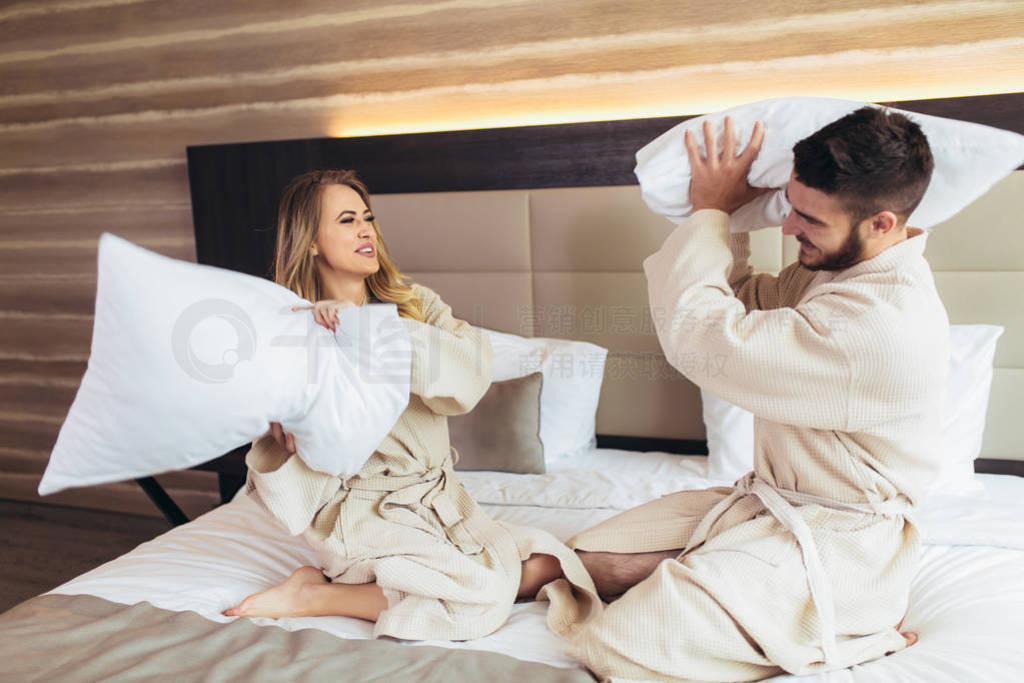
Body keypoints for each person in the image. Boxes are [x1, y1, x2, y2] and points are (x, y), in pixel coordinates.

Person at [561, 108, 947, 680]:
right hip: (772, 505)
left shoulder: (878, 325)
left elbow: (705, 337)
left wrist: (710, 208)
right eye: (791, 207)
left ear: (883, 223)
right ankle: (725, 576)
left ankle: (858, 632)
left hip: (843, 546)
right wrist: (735, 216)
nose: (790, 228)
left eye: (810, 219)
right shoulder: (838, 273)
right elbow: (739, 299)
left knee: (622, 640)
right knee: (586, 563)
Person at [222, 169, 599, 640]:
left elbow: (469, 377)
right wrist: (279, 421)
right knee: (482, 591)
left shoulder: (414, 305)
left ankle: (339, 588)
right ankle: (315, 595)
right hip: (359, 513)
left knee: (543, 559)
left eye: (368, 217)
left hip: (438, 500)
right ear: (311, 241)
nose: (366, 230)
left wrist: (372, 328)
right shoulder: (290, 331)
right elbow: (275, 442)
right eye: (346, 220)